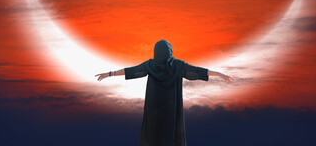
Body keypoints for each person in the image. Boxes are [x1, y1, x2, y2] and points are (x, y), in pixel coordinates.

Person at [95, 39, 233, 146]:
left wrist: (110, 74)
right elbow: (198, 71)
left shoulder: (150, 65)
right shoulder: (178, 65)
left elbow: (131, 71)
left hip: (154, 108)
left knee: (154, 134)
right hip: (172, 109)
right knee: (171, 134)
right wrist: (220, 75)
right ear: (169, 51)